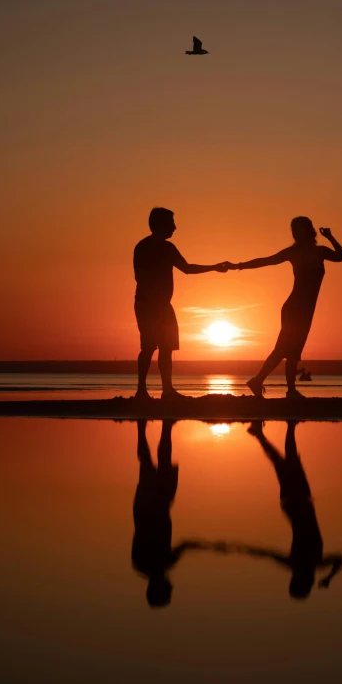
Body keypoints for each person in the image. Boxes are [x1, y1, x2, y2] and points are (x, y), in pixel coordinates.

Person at [228, 218, 342, 398]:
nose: (296, 233)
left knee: (294, 352)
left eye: (299, 229)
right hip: (294, 308)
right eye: (294, 230)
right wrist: (239, 266)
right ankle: (257, 380)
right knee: (282, 349)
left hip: (306, 310)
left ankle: (290, 390)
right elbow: (266, 261)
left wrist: (330, 237)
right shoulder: (293, 253)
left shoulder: (320, 251)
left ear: (309, 231)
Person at [240, 421, 342, 599]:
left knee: (285, 463)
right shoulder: (306, 564)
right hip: (294, 504)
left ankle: (277, 428)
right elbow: (340, 558)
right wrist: (329, 577)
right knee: (284, 463)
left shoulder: (310, 563)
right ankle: (265, 432)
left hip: (298, 504)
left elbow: (340, 559)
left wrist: (329, 576)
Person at [133, 207, 229, 400]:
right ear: (161, 224)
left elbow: (186, 268)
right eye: (171, 223)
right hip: (148, 305)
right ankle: (142, 390)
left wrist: (213, 267)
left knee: (166, 347)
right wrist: (154, 300)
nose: (175, 227)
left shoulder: (169, 248)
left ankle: (167, 390)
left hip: (163, 306)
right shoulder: (143, 247)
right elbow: (140, 277)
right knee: (149, 347)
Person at [131, 420, 207, 608]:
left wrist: (193, 545)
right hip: (146, 508)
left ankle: (160, 427)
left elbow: (181, 547)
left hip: (155, 506)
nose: (171, 585)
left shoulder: (158, 564)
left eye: (168, 589)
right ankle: (147, 428)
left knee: (154, 463)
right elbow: (183, 547)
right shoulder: (141, 565)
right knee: (147, 464)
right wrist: (194, 545)